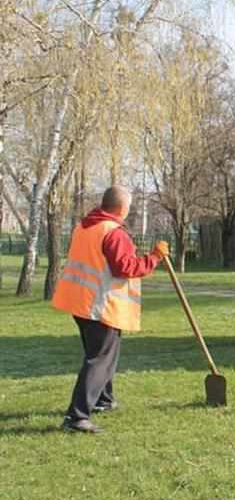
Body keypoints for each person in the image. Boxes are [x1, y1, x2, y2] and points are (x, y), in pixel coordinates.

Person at [52, 186, 169, 434]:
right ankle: (77, 416)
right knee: (100, 360)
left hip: (80, 301)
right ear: (122, 208)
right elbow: (125, 267)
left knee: (100, 355)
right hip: (99, 304)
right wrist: (155, 257)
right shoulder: (113, 232)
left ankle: (104, 400)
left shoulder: (85, 226)